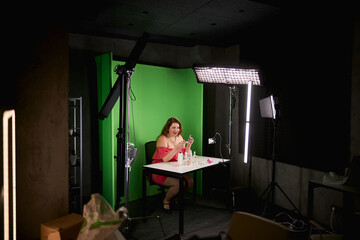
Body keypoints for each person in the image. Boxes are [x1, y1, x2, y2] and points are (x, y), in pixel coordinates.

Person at [152, 117, 194, 213]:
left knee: (190, 181)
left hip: (174, 168)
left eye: (178, 127)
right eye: (173, 128)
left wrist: (189, 146)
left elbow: (183, 155)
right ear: (168, 128)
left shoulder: (179, 137)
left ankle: (173, 197)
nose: (176, 130)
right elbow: (165, 159)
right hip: (160, 170)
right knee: (179, 183)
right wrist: (176, 148)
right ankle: (166, 201)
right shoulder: (162, 139)